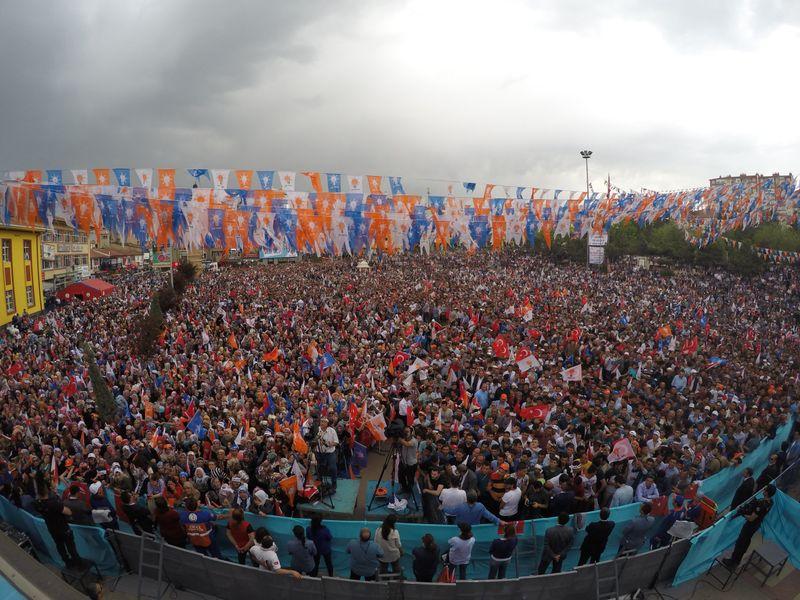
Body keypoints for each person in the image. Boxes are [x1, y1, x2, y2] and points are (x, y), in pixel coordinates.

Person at [723, 484, 775, 568]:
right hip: (756, 525)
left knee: (741, 542)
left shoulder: (761, 505)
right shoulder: (770, 502)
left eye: (765, 489)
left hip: (750, 526)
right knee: (745, 542)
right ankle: (737, 560)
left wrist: (742, 513)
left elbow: (751, 518)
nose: (763, 489)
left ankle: (733, 561)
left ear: (767, 492)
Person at [35, 484, 82, 567]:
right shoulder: (53, 503)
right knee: (71, 547)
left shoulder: (38, 504)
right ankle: (78, 564)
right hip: (62, 528)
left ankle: (67, 563)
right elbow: (68, 512)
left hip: (52, 529)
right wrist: (58, 499)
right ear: (47, 491)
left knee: (60, 546)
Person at [315, 417, 339, 493]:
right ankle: (320, 483)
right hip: (319, 452)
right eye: (321, 421)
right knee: (319, 468)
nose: (322, 423)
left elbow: (336, 442)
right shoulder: (317, 430)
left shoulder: (332, 431)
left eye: (324, 422)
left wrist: (328, 444)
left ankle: (334, 485)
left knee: (332, 468)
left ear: (327, 423)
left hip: (330, 452)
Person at [398, 427, 419, 494]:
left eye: (407, 432)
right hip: (403, 462)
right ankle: (404, 488)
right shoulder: (403, 439)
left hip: (411, 464)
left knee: (410, 479)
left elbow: (407, 444)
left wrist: (399, 438)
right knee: (401, 476)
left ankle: (409, 491)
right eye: (404, 431)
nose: (405, 433)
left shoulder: (414, 441)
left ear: (411, 433)